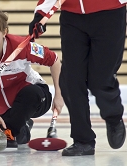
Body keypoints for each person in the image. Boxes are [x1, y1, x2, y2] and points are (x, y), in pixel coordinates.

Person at [29, 0, 127, 156]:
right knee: (70, 81)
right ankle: (83, 141)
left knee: (100, 80)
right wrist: (40, 14)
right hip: (72, 17)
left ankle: (113, 116)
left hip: (109, 13)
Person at [0, 6, 64, 148]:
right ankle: (18, 129)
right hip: (3, 108)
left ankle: (8, 130)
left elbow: (54, 60)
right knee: (17, 137)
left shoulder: (21, 46)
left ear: (5, 32)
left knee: (31, 93)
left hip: (36, 98)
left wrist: (59, 95)